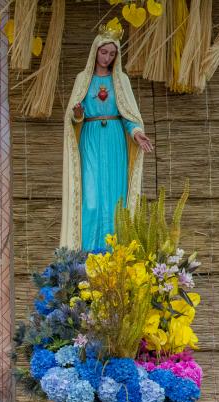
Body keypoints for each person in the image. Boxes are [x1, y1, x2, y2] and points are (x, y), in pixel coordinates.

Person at [61, 26, 154, 252]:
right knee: (91, 199)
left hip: (114, 141)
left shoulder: (121, 80)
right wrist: (77, 114)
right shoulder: (82, 79)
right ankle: (87, 254)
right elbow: (74, 118)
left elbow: (128, 115)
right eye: (104, 52)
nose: (107, 58)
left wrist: (136, 132)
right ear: (95, 51)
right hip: (90, 139)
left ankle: (115, 255)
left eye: (112, 54)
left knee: (115, 198)